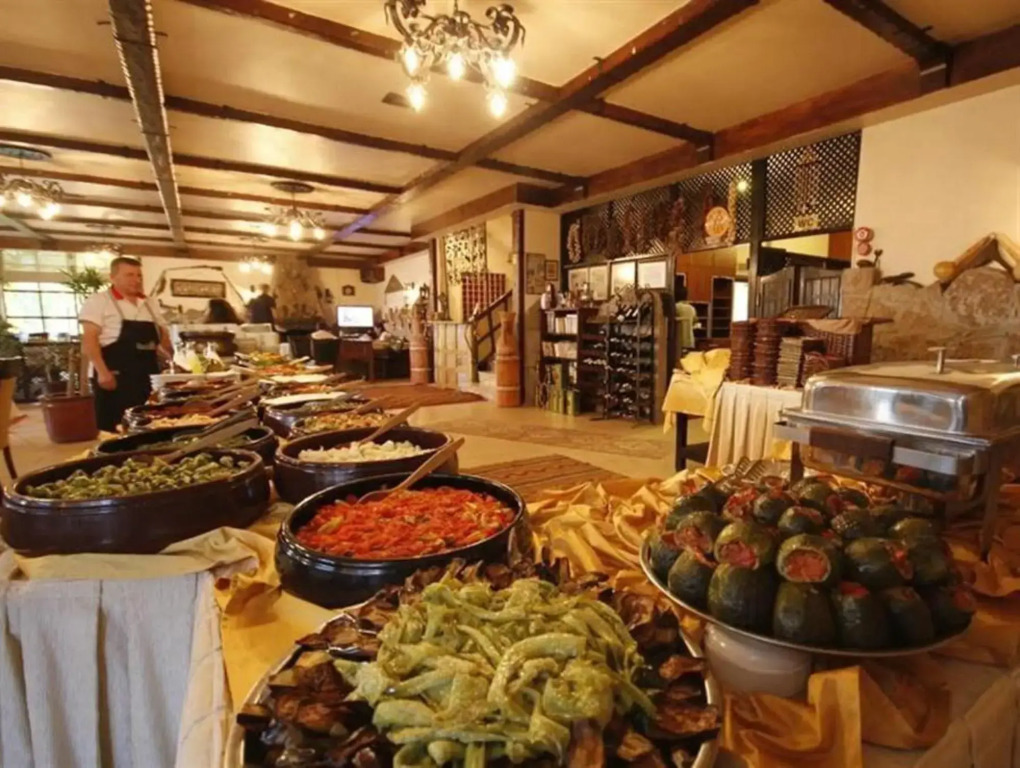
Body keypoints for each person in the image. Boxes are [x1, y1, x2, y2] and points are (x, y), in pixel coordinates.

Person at [79, 256, 172, 431]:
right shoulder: (99, 301)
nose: (136, 280)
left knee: (149, 423)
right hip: (114, 375)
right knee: (114, 428)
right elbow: (89, 340)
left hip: (147, 375)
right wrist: (102, 373)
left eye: (139, 275)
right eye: (129, 275)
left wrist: (171, 359)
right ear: (113, 277)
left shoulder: (150, 303)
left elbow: (162, 335)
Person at [674, 285, 698, 352]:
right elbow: (695, 323)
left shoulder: (675, 307)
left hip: (679, 341)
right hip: (690, 341)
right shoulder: (692, 308)